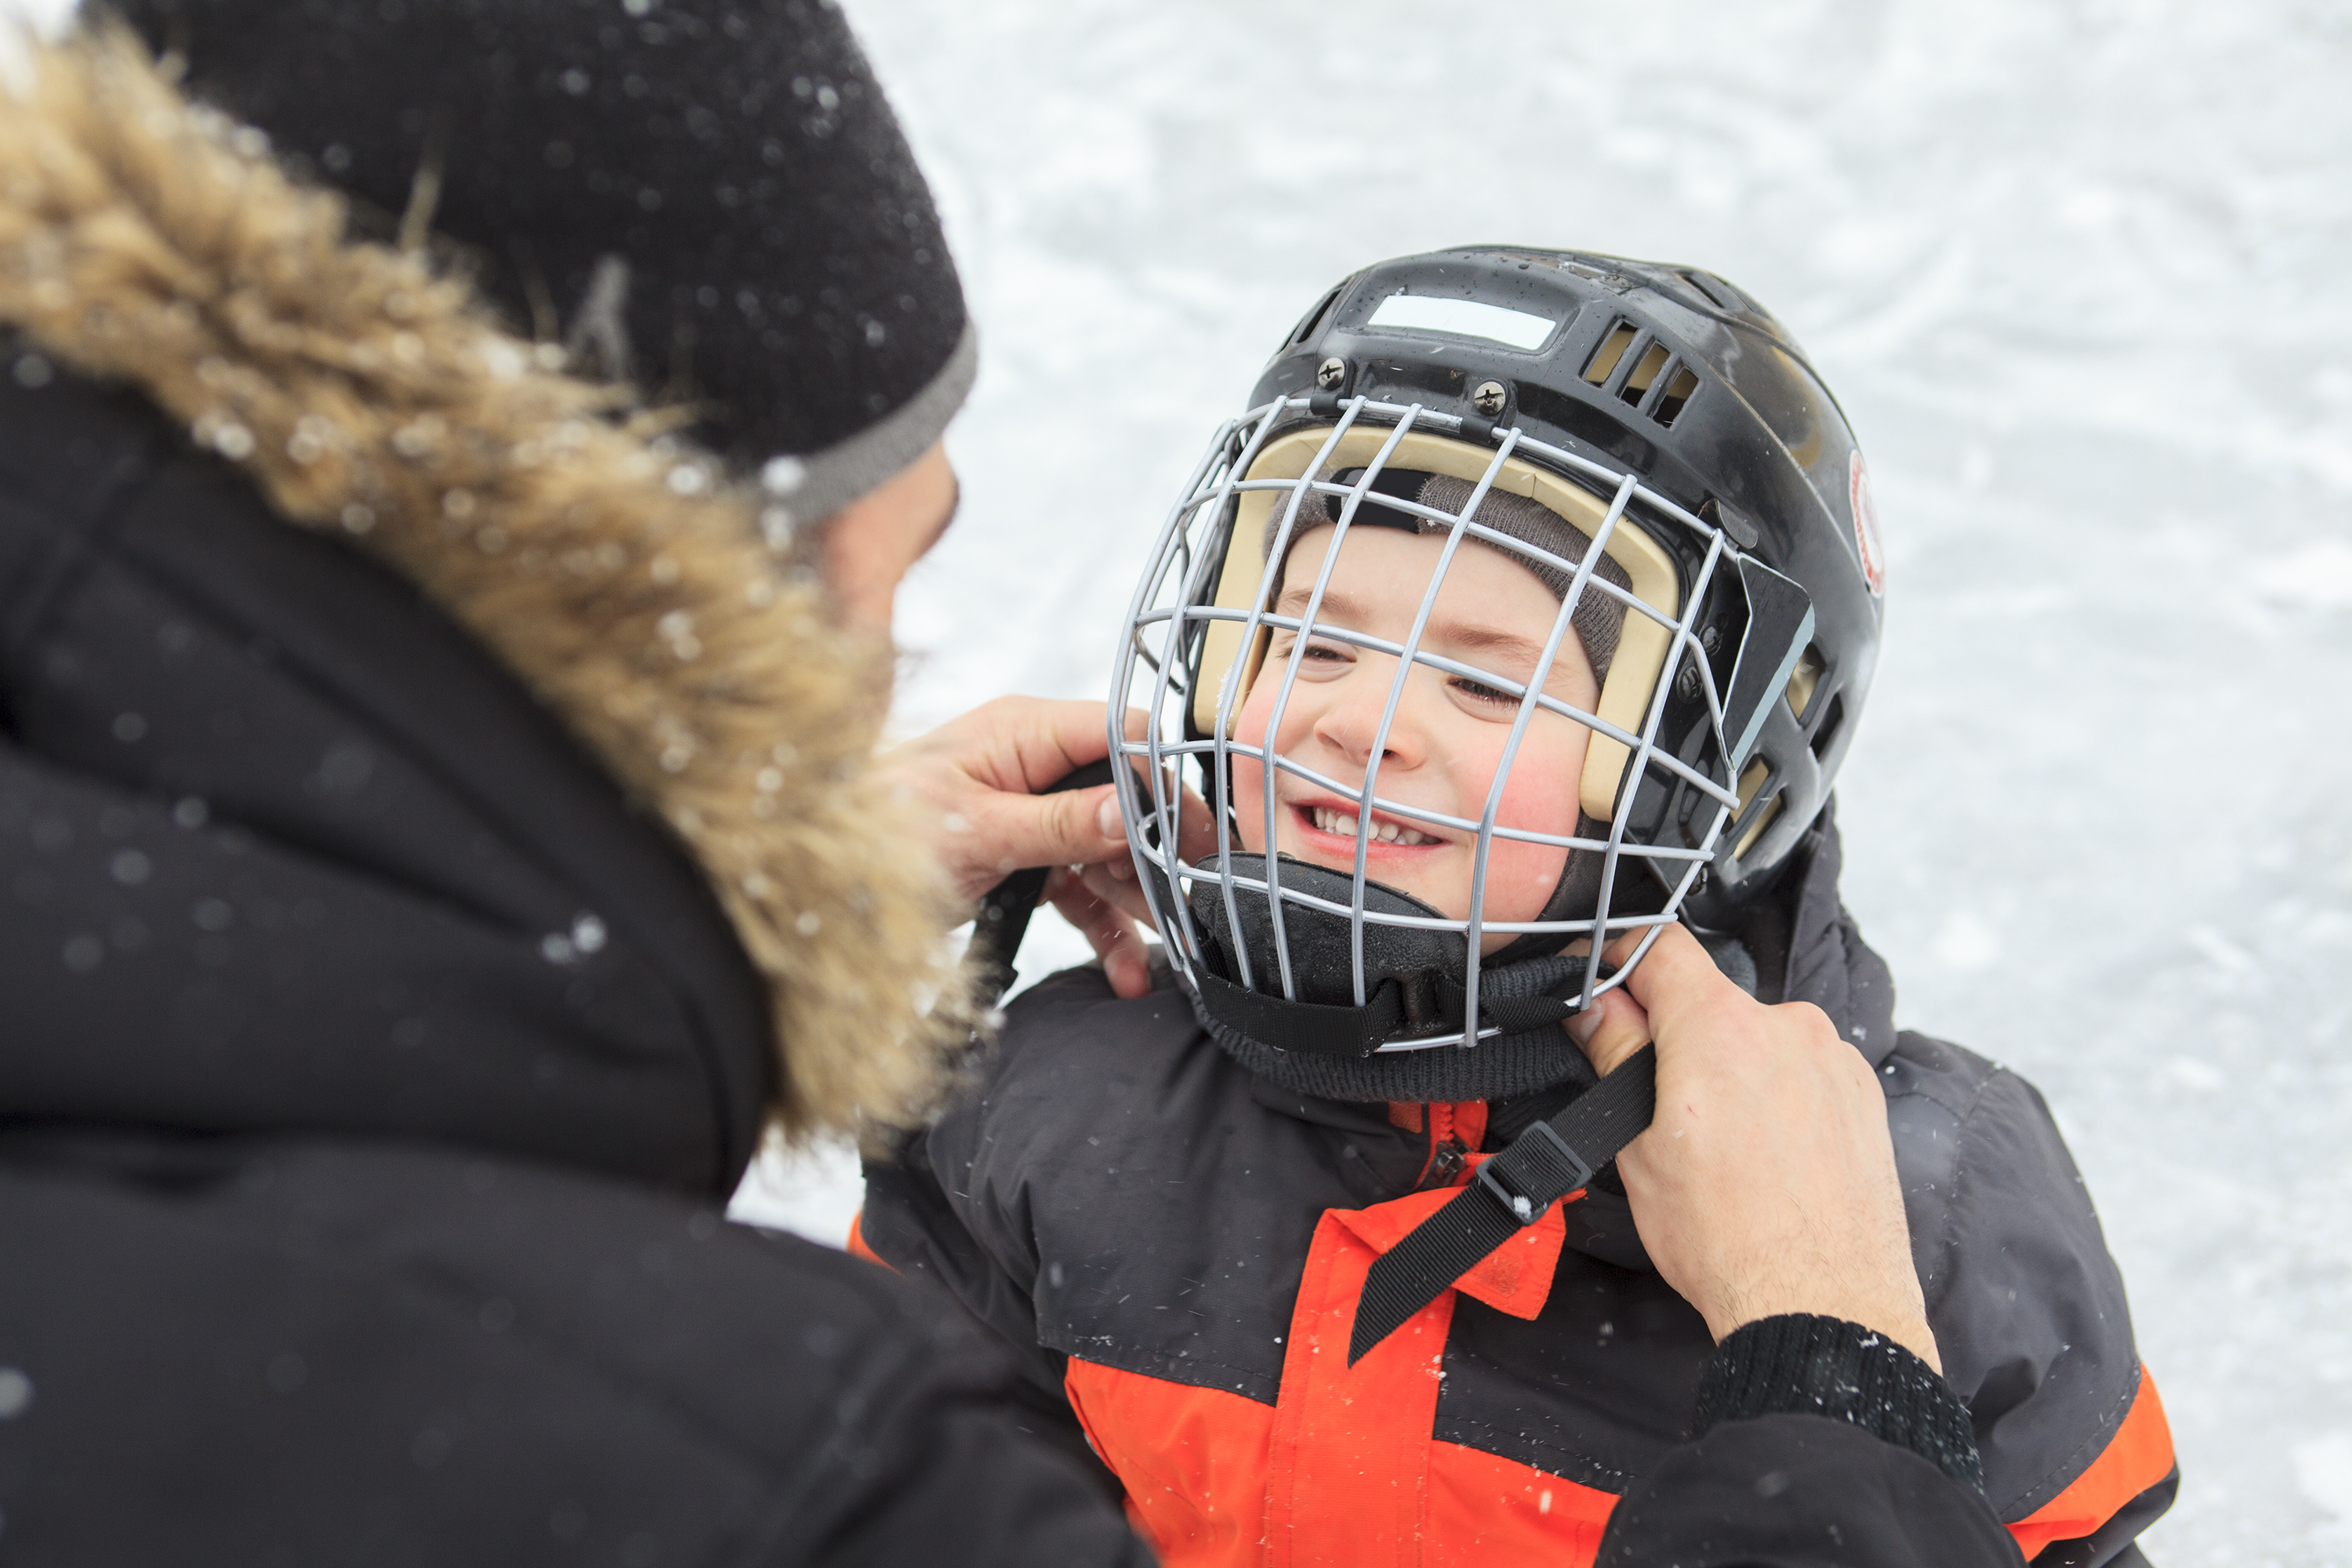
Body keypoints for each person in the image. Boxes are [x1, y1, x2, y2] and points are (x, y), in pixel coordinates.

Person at [0, 5, 1152, 1560]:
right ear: (698, 599)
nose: (878, 678)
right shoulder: (805, 1484)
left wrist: (674, 914)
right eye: (879, 580)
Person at [859, 249, 2180, 1566]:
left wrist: (1829, 1332)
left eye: (1493, 687)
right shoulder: (1053, 1096)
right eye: (1313, 642)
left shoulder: (1923, 1215)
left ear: (1723, 772)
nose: (1362, 722)